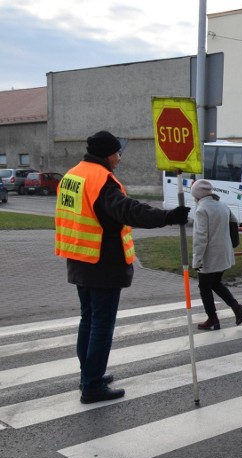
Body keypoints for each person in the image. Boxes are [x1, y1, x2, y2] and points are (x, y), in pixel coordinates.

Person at [55, 130, 190, 404]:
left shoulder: (73, 175)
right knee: (101, 325)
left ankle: (89, 374)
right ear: (107, 154)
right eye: (118, 153)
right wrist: (167, 216)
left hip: (80, 258)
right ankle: (92, 385)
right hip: (102, 262)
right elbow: (129, 210)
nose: (119, 158)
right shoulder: (102, 180)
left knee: (88, 320)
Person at [190, 179, 242, 330]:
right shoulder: (221, 205)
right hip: (224, 253)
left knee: (204, 287)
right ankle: (236, 308)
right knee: (214, 283)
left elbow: (200, 237)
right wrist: (233, 242)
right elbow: (234, 221)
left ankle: (213, 319)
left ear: (196, 194)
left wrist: (196, 260)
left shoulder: (202, 209)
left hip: (210, 256)